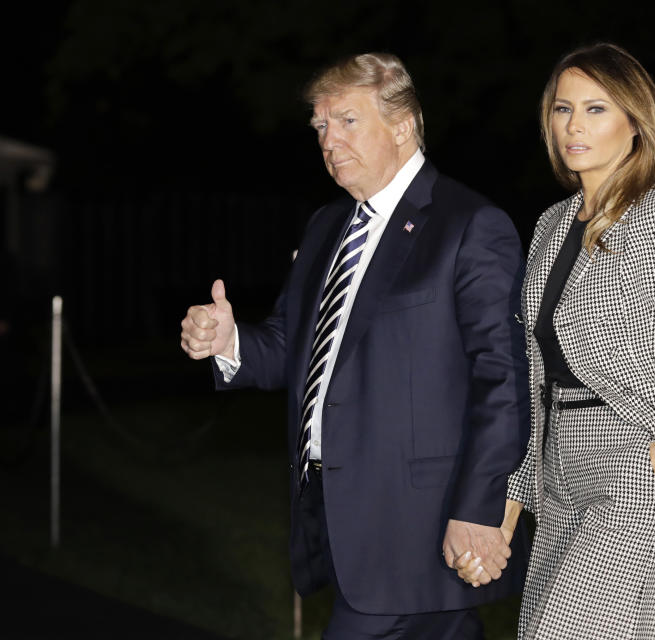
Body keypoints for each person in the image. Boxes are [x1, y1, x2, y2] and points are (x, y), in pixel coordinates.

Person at [179, 52, 529, 640]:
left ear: (402, 126)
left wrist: (477, 508)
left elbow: (503, 381)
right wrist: (230, 338)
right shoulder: (326, 226)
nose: (328, 140)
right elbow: (292, 345)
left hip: (418, 524)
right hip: (335, 516)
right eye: (319, 126)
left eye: (346, 121)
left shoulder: (468, 224)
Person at [455, 43, 655, 638]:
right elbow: (535, 377)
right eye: (562, 108)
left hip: (636, 466)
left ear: (636, 124)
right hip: (557, 471)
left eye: (596, 109)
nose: (574, 125)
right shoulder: (550, 225)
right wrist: (512, 502)